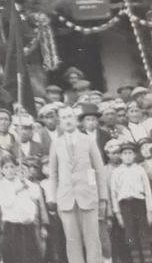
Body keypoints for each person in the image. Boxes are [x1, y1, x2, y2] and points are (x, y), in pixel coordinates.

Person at [48, 106, 107, 263]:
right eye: (63, 118)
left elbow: (98, 170)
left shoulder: (87, 140)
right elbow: (53, 174)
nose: (67, 120)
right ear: (60, 122)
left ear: (75, 119)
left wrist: (101, 197)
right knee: (72, 243)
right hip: (66, 200)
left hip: (88, 198)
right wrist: (52, 199)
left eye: (69, 117)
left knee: (93, 242)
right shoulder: (56, 144)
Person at [0, 155, 42, 263]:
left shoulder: (22, 181)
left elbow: (36, 194)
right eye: (6, 167)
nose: (9, 170)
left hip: (27, 226)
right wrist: (16, 190)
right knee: (14, 257)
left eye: (12, 167)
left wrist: (26, 182)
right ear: (1, 170)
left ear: (16, 168)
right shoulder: (0, 185)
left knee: (30, 257)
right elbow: (5, 203)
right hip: (12, 227)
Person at [109, 141, 152, 263]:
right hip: (125, 207)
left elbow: (147, 191)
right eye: (125, 153)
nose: (127, 156)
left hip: (140, 205)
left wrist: (149, 211)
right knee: (131, 237)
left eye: (130, 153)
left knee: (144, 236)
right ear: (121, 156)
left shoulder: (140, 170)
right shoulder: (117, 172)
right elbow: (114, 193)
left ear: (134, 155)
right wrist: (118, 214)